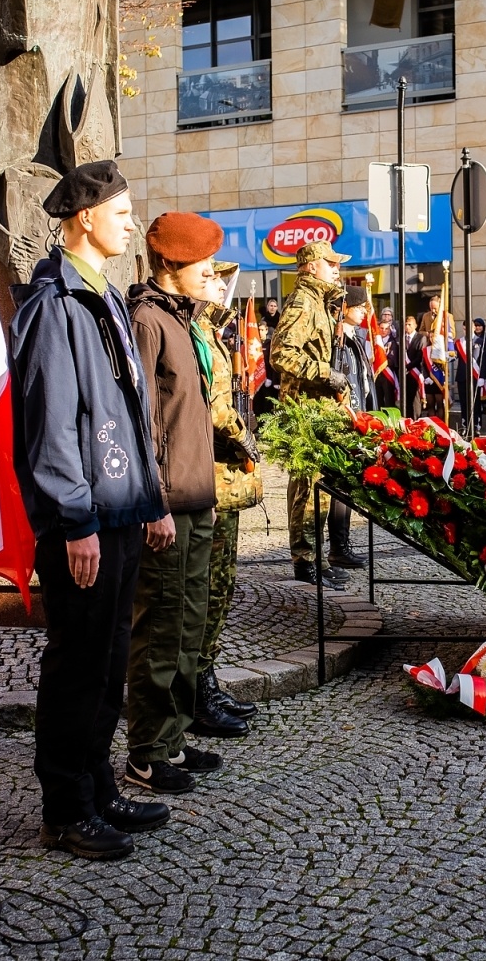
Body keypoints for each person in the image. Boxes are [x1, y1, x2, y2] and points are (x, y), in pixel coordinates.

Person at [8, 160, 170, 860]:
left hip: (120, 512)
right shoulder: (55, 304)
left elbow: (127, 418)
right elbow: (52, 425)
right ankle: (65, 809)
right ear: (82, 219)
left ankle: (98, 787)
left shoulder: (103, 296)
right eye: (121, 211)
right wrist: (74, 521)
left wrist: (151, 501)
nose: (132, 223)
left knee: (108, 667)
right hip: (85, 524)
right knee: (76, 668)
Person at [125, 211, 242, 792]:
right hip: (167, 502)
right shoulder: (148, 320)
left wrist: (208, 494)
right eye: (203, 263)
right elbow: (141, 424)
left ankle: (172, 738)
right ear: (172, 264)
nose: (211, 273)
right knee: (160, 630)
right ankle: (146, 751)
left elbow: (192, 421)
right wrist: (154, 504)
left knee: (189, 625)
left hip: (197, 497)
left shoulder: (183, 318)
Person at [200, 263, 262, 729]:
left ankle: (206, 680)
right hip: (209, 480)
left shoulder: (210, 329)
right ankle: (199, 691)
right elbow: (215, 410)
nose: (224, 285)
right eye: (216, 277)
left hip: (221, 479)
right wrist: (246, 440)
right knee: (207, 590)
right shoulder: (197, 329)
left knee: (220, 589)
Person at [270, 239, 350, 589]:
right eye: (331, 263)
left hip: (318, 409)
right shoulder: (303, 300)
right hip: (304, 409)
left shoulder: (320, 301)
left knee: (321, 489)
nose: (337, 268)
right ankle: (305, 562)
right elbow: (281, 353)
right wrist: (325, 373)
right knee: (306, 487)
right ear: (311, 265)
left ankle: (314, 558)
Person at [328, 284, 375, 567]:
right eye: (359, 307)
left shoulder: (355, 339)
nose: (363, 312)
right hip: (344, 419)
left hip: (359, 418)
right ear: (345, 309)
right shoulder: (338, 341)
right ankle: (338, 546)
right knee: (339, 487)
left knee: (347, 486)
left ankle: (342, 544)